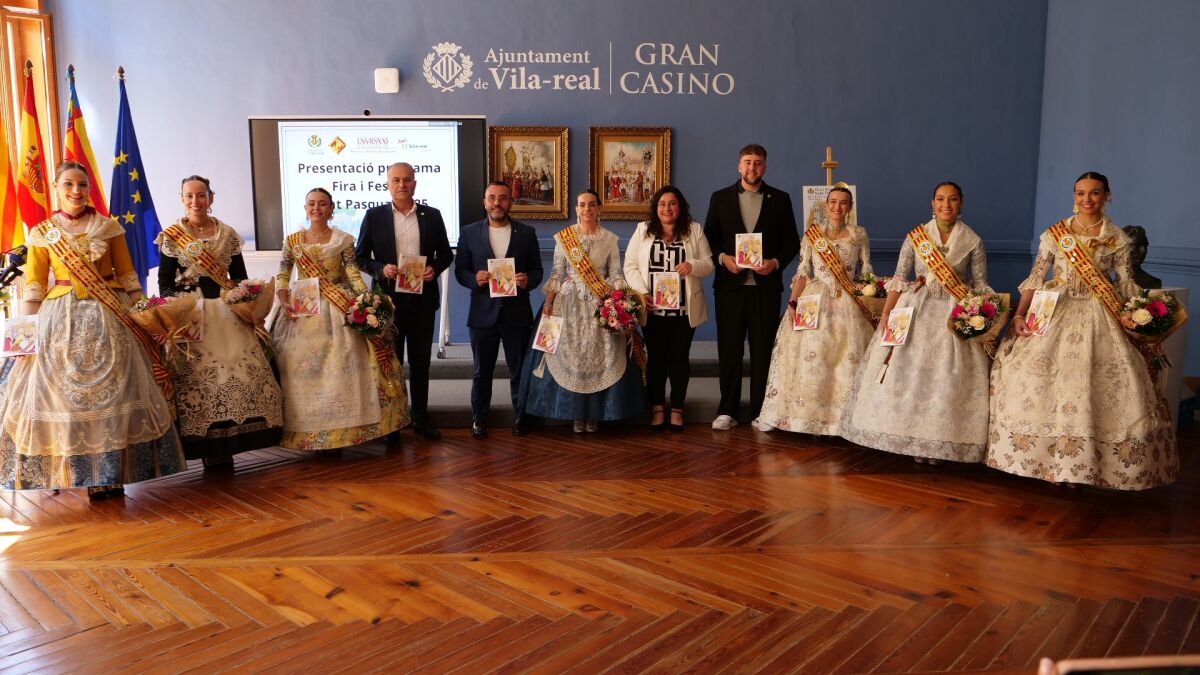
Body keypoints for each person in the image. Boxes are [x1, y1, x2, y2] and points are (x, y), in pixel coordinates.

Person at [0, 161, 184, 498]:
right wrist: (23, 336)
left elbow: (128, 278)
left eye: (82, 184)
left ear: (89, 188)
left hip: (109, 315)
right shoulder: (42, 232)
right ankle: (75, 470)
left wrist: (146, 317)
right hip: (59, 318)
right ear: (56, 188)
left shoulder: (109, 227)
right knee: (64, 397)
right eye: (68, 184)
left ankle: (113, 474)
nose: (76, 191)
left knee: (117, 390)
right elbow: (35, 288)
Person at [986, 172, 1177, 489]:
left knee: (1100, 385)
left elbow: (1126, 283)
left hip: (1099, 313)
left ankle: (1085, 467)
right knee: (1033, 377)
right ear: (1074, 196)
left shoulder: (1117, 237)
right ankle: (1046, 462)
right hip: (1055, 310)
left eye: (1094, 193)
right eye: (1080, 193)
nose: (1087, 199)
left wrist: (1139, 321)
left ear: (1107, 196)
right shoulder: (1055, 234)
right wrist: (1019, 315)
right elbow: (1036, 278)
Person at [840, 182, 992, 464]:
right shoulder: (916, 236)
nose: (946, 205)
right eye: (940, 199)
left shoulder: (973, 240)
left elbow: (980, 284)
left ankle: (938, 442)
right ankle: (909, 439)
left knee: (946, 378)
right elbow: (899, 277)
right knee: (908, 375)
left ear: (961, 203)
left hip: (953, 314)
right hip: (916, 308)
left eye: (952, 199)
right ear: (932, 203)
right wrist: (887, 314)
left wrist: (985, 315)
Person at [157, 175, 283, 467]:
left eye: (201, 195)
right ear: (182, 199)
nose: (195, 201)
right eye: (190, 196)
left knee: (237, 374)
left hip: (228, 313)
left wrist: (247, 305)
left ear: (211, 198)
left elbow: (239, 278)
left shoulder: (227, 234)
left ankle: (231, 444)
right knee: (198, 381)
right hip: (192, 317)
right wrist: (179, 311)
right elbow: (165, 284)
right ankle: (207, 448)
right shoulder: (172, 236)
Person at [271, 187, 410, 450]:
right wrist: (283, 297)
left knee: (347, 365)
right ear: (305, 208)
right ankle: (313, 432)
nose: (317, 208)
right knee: (305, 369)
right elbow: (283, 273)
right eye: (312, 203)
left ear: (332, 208)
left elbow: (353, 274)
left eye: (322, 203)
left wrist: (366, 301)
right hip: (303, 307)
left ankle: (356, 429)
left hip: (338, 306)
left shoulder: (343, 240)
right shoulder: (292, 241)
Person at [519, 189, 647, 432]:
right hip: (568, 303)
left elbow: (615, 274)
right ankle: (576, 413)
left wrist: (621, 300)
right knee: (573, 357)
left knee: (600, 356)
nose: (587, 209)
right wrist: (549, 303)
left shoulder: (610, 239)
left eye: (591, 204)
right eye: (582, 205)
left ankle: (595, 413)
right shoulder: (563, 238)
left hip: (601, 304)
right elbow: (557, 273)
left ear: (599, 209)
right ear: (576, 209)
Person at [755, 186, 876, 435]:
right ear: (826, 205)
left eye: (843, 203)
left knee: (845, 359)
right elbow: (802, 272)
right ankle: (806, 417)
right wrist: (793, 302)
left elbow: (866, 271)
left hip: (848, 300)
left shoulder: (859, 234)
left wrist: (869, 296)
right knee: (813, 358)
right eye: (833, 202)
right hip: (815, 301)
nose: (837, 207)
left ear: (850, 207)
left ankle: (841, 420)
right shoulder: (812, 235)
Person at [703, 143, 800, 430]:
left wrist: (775, 263)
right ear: (739, 165)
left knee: (763, 350)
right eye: (747, 162)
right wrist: (723, 259)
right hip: (729, 288)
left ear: (765, 167)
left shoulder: (780, 199)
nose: (752, 167)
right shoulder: (720, 198)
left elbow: (791, 242)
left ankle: (762, 411)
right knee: (729, 350)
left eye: (757, 162)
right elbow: (708, 239)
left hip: (765, 288)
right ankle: (727, 410)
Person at [355, 162, 454, 441]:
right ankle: (394, 423)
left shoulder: (432, 215)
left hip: (423, 302)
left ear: (415, 184)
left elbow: (446, 254)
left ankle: (420, 418)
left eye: (407, 180)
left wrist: (435, 268)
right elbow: (360, 257)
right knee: (392, 364)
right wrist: (380, 269)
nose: (402, 185)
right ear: (388, 184)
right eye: (396, 180)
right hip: (388, 304)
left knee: (421, 363)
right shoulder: (374, 216)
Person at [454, 181, 543, 438]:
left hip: (517, 314)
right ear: (484, 202)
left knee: (519, 370)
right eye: (492, 198)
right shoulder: (469, 232)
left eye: (502, 198)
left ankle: (521, 417)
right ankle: (479, 419)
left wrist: (527, 280)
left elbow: (537, 271)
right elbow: (461, 271)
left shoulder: (526, 233)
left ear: (510, 202)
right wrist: (474, 279)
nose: (497, 203)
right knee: (482, 371)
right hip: (482, 314)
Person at [623, 185, 714, 431]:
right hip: (653, 309)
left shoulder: (694, 230)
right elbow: (630, 266)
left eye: (672, 203)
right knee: (656, 360)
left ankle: (677, 409)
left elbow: (708, 264)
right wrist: (642, 292)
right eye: (662, 204)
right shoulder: (643, 230)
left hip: (684, 310)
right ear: (656, 208)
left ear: (680, 207)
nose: (667, 208)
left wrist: (692, 265)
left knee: (679, 359)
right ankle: (657, 408)